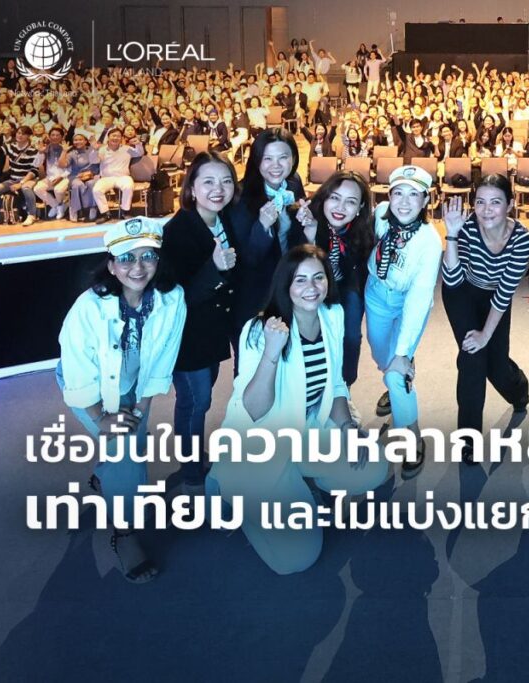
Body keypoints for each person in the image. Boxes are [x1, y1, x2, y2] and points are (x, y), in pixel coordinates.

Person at [209, 244, 387, 575]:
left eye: (318, 278)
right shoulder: (259, 330)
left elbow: (335, 385)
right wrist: (271, 354)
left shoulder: (331, 316)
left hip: (306, 431)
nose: (311, 288)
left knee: (372, 466)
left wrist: (349, 430)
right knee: (296, 559)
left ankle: (300, 481)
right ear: (285, 285)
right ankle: (231, 492)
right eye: (300, 280)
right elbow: (254, 410)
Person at [56, 218, 186, 581]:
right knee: (127, 454)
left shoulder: (172, 298)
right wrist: (102, 418)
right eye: (126, 258)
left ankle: (106, 479)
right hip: (90, 387)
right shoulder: (88, 307)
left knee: (128, 450)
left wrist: (140, 408)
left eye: (147, 256)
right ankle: (125, 534)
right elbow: (78, 370)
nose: (138, 267)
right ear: (111, 266)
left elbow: (163, 358)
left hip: (135, 386)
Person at [160, 151, 239, 492]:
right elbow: (177, 298)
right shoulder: (177, 231)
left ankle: (195, 456)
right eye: (208, 182)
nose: (218, 189)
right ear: (191, 188)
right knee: (195, 401)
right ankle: (191, 470)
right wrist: (215, 269)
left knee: (200, 399)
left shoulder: (223, 220)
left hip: (211, 332)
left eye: (225, 181)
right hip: (187, 337)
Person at [440, 175, 529, 455]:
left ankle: (519, 389)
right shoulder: (467, 228)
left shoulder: (522, 239)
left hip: (496, 297)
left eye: (495, 202)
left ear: (510, 205)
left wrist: (486, 334)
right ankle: (468, 439)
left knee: (497, 366)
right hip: (462, 293)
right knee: (473, 357)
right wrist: (452, 234)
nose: (486, 210)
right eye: (480, 202)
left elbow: (504, 293)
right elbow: (452, 280)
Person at [364, 165, 442, 478]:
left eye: (414, 194)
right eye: (398, 193)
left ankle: (413, 437)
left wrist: (403, 351)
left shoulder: (430, 242)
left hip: (407, 301)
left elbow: (419, 299)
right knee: (381, 358)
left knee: (398, 370)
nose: (405, 202)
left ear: (426, 200)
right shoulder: (380, 215)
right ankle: (392, 380)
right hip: (375, 295)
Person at [229, 128, 307, 347]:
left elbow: (296, 235)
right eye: (268, 158)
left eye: (283, 157)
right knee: (252, 353)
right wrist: (262, 227)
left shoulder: (293, 183)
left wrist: (306, 223)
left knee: (288, 352)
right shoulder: (241, 196)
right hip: (255, 291)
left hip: (288, 285)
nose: (276, 165)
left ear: (294, 158)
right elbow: (247, 259)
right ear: (257, 161)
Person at [305, 171, 375, 392]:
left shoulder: (363, 229)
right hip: (311, 287)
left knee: (351, 336)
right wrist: (309, 237)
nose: (340, 207)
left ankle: (345, 388)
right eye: (335, 198)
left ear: (360, 207)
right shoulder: (307, 220)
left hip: (346, 285)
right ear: (324, 197)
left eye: (350, 202)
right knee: (315, 336)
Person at [92, 128, 145, 224]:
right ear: (108, 138)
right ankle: (105, 213)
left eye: (118, 136)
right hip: (106, 178)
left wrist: (138, 144)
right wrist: (95, 150)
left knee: (128, 186)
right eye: (113, 136)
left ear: (121, 138)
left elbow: (140, 153)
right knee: (96, 190)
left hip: (123, 177)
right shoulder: (102, 150)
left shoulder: (126, 149)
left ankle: (125, 211)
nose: (116, 138)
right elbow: (94, 160)